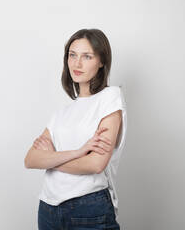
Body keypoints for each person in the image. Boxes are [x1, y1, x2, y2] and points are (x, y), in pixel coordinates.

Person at [24, 28, 127, 230]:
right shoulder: (61, 114)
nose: (77, 63)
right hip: (47, 207)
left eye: (87, 56)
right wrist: (78, 152)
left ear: (101, 61)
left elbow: (96, 164)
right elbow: (30, 159)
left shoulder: (110, 98)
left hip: (88, 207)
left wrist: (51, 158)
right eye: (72, 55)